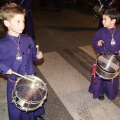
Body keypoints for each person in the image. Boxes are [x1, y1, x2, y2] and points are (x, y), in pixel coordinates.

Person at [0, 2, 45, 120]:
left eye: (23, 21)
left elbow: (33, 57)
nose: (22, 25)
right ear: (7, 23)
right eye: (18, 21)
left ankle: (33, 116)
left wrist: (38, 56)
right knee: (16, 105)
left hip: (29, 78)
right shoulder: (2, 45)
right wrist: (4, 68)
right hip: (14, 82)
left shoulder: (28, 39)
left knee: (31, 98)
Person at [89, 8, 120, 100]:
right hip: (102, 57)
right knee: (100, 77)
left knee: (112, 79)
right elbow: (94, 41)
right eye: (102, 19)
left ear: (113, 21)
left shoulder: (119, 33)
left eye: (105, 19)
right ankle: (100, 92)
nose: (102, 21)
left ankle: (110, 93)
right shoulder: (100, 31)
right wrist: (97, 43)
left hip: (114, 59)